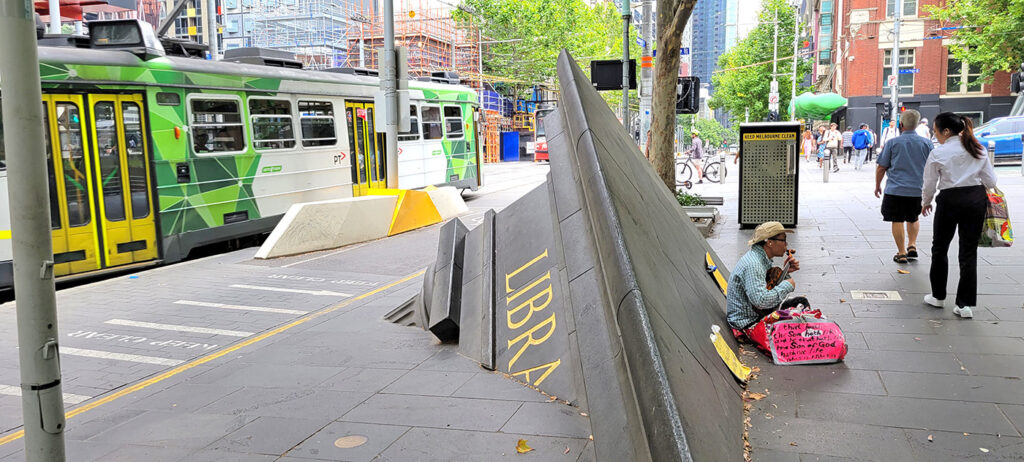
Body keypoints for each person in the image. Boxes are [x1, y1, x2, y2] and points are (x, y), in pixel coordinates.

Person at [920, 113, 997, 319]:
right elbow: (990, 181)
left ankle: (938, 296)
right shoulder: (977, 148)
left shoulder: (939, 153)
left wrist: (926, 202)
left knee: (940, 247)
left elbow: (929, 183)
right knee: (968, 252)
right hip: (974, 199)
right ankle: (964, 305)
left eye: (936, 131)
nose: (935, 135)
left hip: (949, 200)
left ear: (946, 131)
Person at [875, 109, 933, 264]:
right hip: (917, 189)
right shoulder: (927, 144)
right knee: (913, 217)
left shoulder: (892, 143)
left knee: (897, 219)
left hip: (896, 189)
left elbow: (881, 167)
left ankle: (901, 252)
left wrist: (877, 185)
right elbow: (932, 167)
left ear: (901, 124)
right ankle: (912, 245)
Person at [727, 221, 802, 337]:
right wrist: (787, 285)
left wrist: (785, 273)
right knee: (799, 321)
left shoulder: (760, 259)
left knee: (799, 303)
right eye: (783, 240)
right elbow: (761, 301)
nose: (786, 245)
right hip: (748, 324)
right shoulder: (754, 264)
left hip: (754, 316)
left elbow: (767, 285)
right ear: (770, 242)